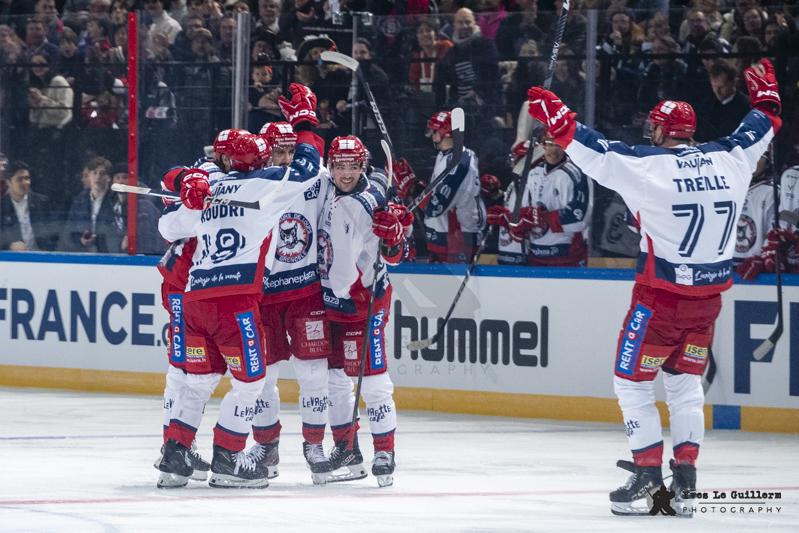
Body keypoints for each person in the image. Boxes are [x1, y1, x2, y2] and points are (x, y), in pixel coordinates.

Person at [526, 58, 781, 516]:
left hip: (659, 301)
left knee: (632, 384)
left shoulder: (648, 166)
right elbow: (763, 124)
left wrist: (561, 122)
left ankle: (646, 476)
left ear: (663, 132)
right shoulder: (731, 158)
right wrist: (766, 99)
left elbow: (596, 151)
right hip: (708, 304)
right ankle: (685, 481)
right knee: (685, 387)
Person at [156, 83, 323, 489]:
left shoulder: (210, 186)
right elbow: (305, 166)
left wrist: (187, 190)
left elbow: (167, 226)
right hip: (235, 303)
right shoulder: (265, 185)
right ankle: (228, 458)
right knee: (250, 384)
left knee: (197, 381)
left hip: (195, 300)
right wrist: (305, 122)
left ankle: (175, 452)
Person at [317, 135, 413, 487]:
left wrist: (396, 234)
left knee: (372, 379)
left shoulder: (371, 202)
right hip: (329, 302)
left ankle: (385, 450)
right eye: (339, 165)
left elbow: (397, 255)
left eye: (352, 166)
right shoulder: (325, 189)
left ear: (363, 165)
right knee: (336, 381)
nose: (345, 173)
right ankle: (347, 450)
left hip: (365, 301)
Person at [248, 120, 334, 484]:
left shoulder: (315, 175)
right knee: (262, 379)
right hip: (264, 297)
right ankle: (266, 447)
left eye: (289, 151)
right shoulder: (253, 183)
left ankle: (314, 446)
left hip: (305, 292)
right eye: (276, 151)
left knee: (313, 375)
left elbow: (356, 182)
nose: (284, 158)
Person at [394, 110, 484, 263]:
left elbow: (435, 206)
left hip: (458, 241)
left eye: (434, 131)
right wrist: (415, 184)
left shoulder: (460, 165)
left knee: (449, 285)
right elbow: (436, 191)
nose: (432, 136)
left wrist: (412, 186)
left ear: (445, 133)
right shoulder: (446, 155)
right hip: (442, 237)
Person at [487, 135, 591, 266]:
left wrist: (541, 218)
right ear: (543, 146)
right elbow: (522, 217)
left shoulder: (578, 174)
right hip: (535, 257)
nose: (553, 150)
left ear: (566, 147)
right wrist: (510, 219)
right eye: (549, 144)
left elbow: (580, 218)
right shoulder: (533, 174)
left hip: (568, 257)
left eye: (558, 145)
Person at [0, 160, 57, 251]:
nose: (25, 182)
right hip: (13, 261)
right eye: (20, 179)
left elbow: (54, 232)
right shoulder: (2, 206)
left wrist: (47, 249)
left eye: (27, 178)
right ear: (8, 182)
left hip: (42, 258)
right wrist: (9, 246)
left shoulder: (42, 202)